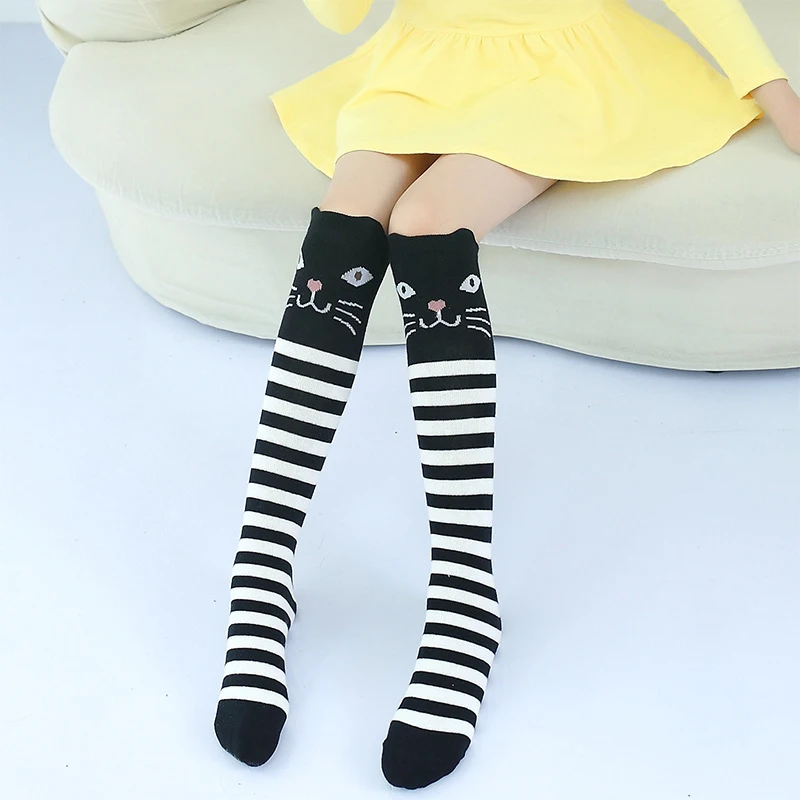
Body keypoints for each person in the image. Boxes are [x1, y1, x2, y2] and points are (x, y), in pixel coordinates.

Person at [212, 0, 798, 790]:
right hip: (427, 52)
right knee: (343, 228)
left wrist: (773, 90)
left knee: (427, 224)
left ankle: (464, 593)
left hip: (559, 60)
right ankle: (261, 567)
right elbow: (338, 15)